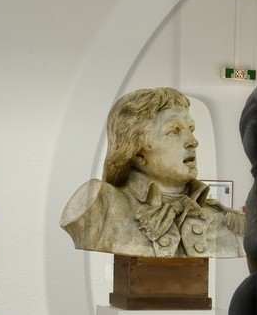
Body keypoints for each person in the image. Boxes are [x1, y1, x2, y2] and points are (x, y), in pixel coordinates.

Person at [60, 87, 244, 257]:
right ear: (138, 153)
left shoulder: (226, 220)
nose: (193, 141)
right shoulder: (101, 206)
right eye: (174, 131)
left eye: (191, 129)